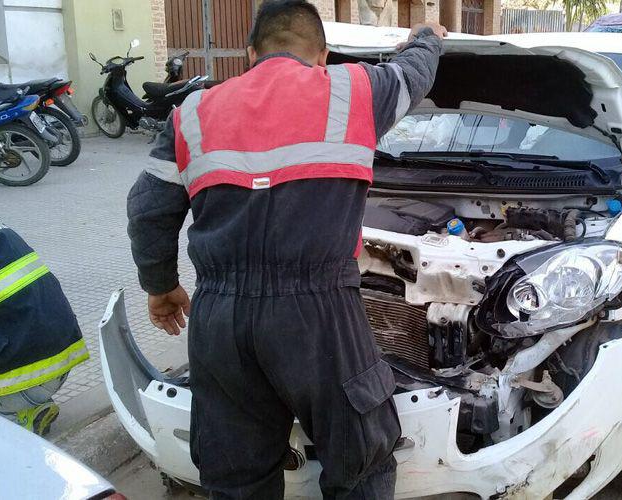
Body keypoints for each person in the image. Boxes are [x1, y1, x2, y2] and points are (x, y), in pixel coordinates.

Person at [126, 1, 445, 497]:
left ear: (251, 53)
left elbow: (148, 209)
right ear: (322, 56)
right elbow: (415, 74)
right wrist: (427, 37)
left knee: (236, 475)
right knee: (359, 464)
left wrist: (161, 286)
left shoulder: (191, 113)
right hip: (319, 313)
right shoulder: (353, 89)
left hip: (221, 319)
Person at [0, 220, 89, 435]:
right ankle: (30, 408)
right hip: (55, 364)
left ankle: (13, 423)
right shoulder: (2, 231)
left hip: (25, 378)